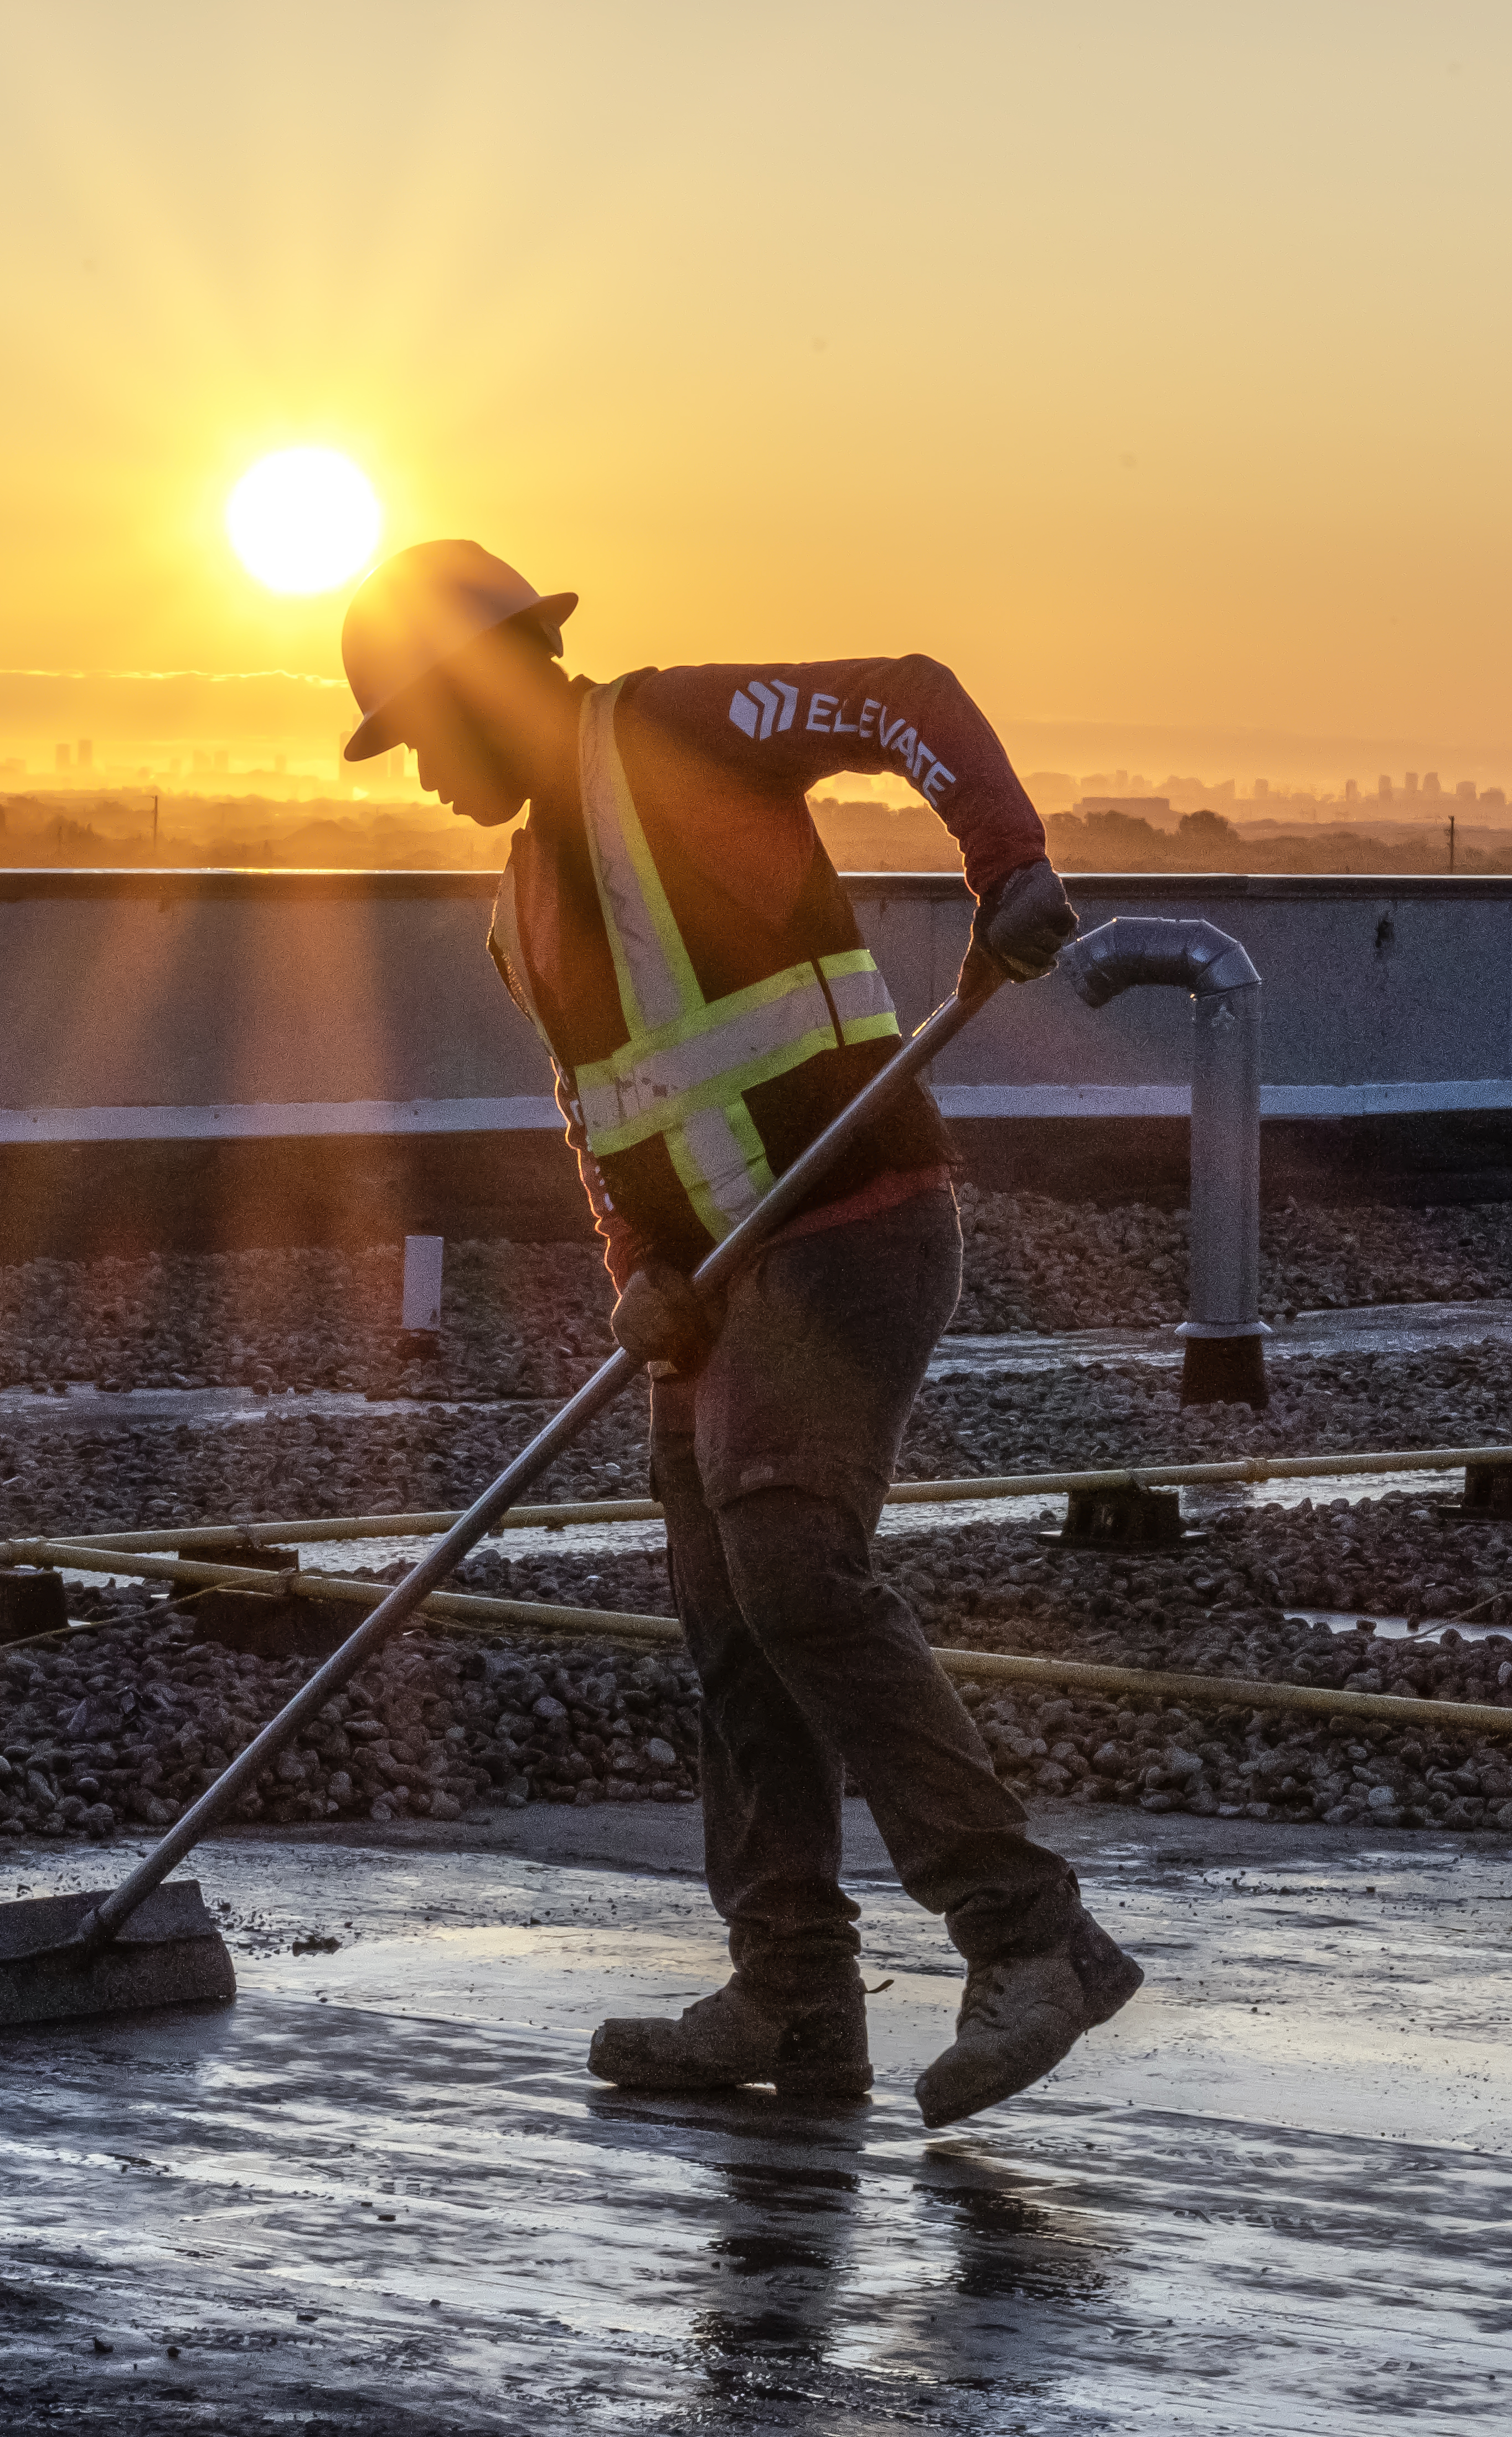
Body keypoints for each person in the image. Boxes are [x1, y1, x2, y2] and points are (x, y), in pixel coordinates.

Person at [333, 538, 1137, 2126]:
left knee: (789, 1563)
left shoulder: (683, 731)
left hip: (852, 1229)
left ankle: (1033, 1940)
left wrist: (1007, 863)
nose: (420, 774)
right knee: (725, 1619)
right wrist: (634, 1261)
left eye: (423, 734)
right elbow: (603, 1117)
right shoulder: (522, 910)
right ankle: (790, 1986)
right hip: (712, 1288)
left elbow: (901, 699)